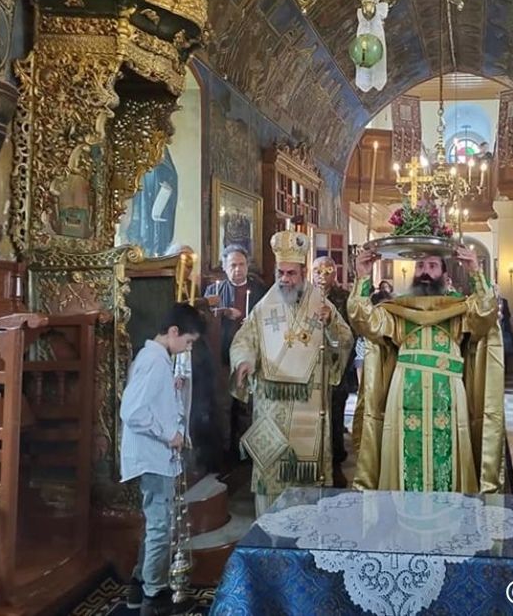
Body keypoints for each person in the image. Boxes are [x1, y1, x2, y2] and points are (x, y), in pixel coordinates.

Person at [349, 247, 507, 493]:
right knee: (404, 452)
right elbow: (366, 322)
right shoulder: (399, 309)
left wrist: (476, 272)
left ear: (444, 274)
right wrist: (362, 277)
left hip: (448, 394)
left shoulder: (459, 308)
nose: (425, 272)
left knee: (449, 453)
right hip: (404, 394)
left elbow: (486, 313)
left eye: (432, 266)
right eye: (420, 266)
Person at [230, 230, 353, 516]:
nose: (285, 279)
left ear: (303, 273)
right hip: (272, 409)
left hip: (309, 406)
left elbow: (344, 340)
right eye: (281, 273)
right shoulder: (264, 307)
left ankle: (306, 530)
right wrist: (244, 361)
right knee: (271, 477)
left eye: (291, 273)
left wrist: (331, 324)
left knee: (306, 484)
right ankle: (269, 530)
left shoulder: (321, 304)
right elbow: (243, 341)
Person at [120, 303, 205, 616]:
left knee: (156, 525)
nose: (188, 348)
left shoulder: (156, 358)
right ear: (173, 332)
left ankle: (139, 584)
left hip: (156, 457)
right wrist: (170, 435)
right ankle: (154, 597)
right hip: (153, 457)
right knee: (160, 527)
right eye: (188, 341)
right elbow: (132, 412)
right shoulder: (154, 361)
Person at [204, 244, 266, 462]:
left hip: (250, 358)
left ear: (247, 266)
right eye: (233, 265)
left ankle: (246, 453)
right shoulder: (214, 292)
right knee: (223, 406)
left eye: (241, 264)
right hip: (221, 356)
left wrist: (254, 322)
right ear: (224, 267)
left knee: (246, 406)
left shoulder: (260, 291)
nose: (238, 269)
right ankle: (224, 454)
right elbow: (204, 318)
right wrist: (223, 312)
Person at [312, 256, 358, 488]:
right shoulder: (304, 296)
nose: (321, 275)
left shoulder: (344, 298)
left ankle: (336, 462)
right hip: (311, 367)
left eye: (327, 270)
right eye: (316, 270)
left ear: (335, 273)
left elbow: (352, 332)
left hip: (337, 366)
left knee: (336, 415)